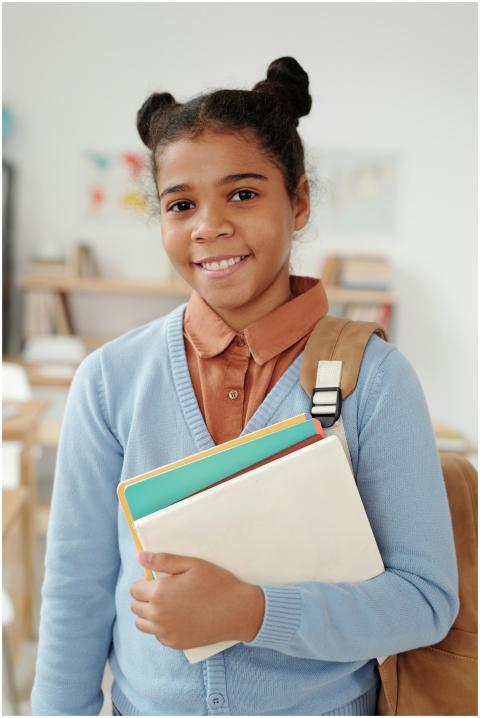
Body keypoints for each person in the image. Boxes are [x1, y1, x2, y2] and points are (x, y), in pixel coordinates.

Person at [31, 57, 459, 716]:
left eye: (242, 193)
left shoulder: (374, 381)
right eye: (181, 204)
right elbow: (75, 599)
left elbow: (425, 602)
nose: (209, 226)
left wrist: (251, 611)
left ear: (300, 201)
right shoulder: (109, 382)